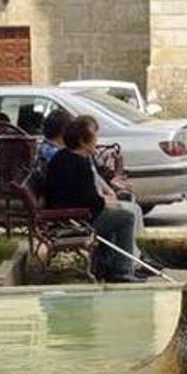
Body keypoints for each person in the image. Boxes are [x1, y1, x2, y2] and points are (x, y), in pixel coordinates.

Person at [44, 115, 143, 283]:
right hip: (75, 220)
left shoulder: (63, 157)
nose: (97, 141)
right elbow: (91, 201)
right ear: (83, 141)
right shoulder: (79, 164)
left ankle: (108, 265)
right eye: (94, 137)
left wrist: (106, 202)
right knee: (125, 217)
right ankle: (122, 270)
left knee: (118, 213)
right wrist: (107, 202)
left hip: (71, 214)